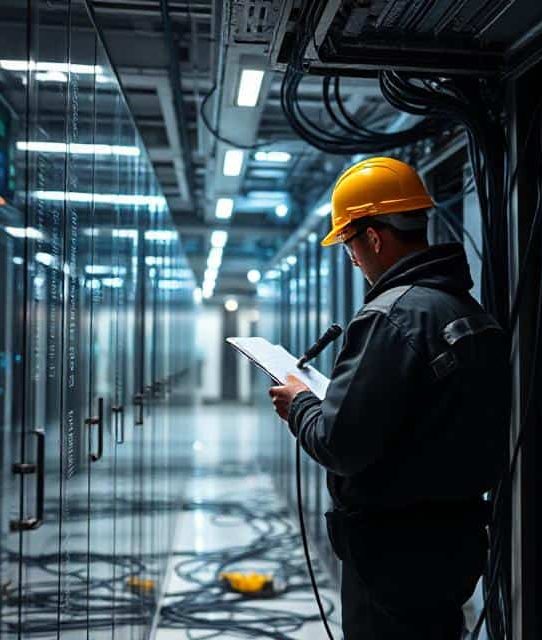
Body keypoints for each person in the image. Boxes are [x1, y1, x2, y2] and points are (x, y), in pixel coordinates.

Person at [269, 157, 509, 640]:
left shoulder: (391, 315)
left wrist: (299, 404)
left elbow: (341, 445)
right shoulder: (464, 307)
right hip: (453, 543)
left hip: (393, 554)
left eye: (350, 245)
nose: (353, 259)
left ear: (374, 237)